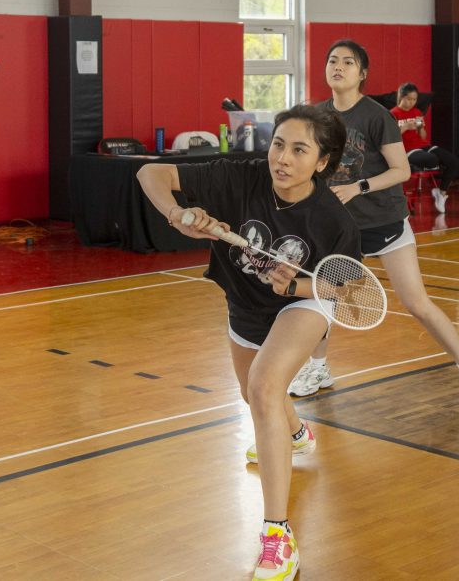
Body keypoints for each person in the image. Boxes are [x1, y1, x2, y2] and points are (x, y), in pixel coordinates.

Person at [137, 104, 357, 581]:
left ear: (322, 162)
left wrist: (295, 286)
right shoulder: (240, 177)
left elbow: (344, 287)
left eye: (299, 150)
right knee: (255, 393)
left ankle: (278, 536)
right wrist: (177, 212)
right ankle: (295, 432)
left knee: (262, 386)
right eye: (278, 144)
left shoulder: (331, 218)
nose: (283, 158)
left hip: (304, 305)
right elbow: (150, 172)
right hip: (245, 305)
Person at [286, 39, 459, 409]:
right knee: (322, 299)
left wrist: (358, 187)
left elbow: (402, 170)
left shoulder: (376, 116)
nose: (338, 66)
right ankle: (318, 367)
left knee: (417, 303)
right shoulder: (316, 117)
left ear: (362, 74)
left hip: (385, 222)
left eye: (348, 62)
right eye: (332, 60)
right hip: (340, 230)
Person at [389, 81, 458, 213]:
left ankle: (441, 193)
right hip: (406, 150)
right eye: (408, 99)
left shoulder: (417, 112)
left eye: (414, 99)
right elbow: (390, 137)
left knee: (452, 161)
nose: (411, 102)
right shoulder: (392, 114)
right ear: (401, 97)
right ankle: (432, 167)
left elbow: (423, 136)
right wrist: (405, 127)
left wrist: (420, 127)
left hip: (423, 145)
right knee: (432, 159)